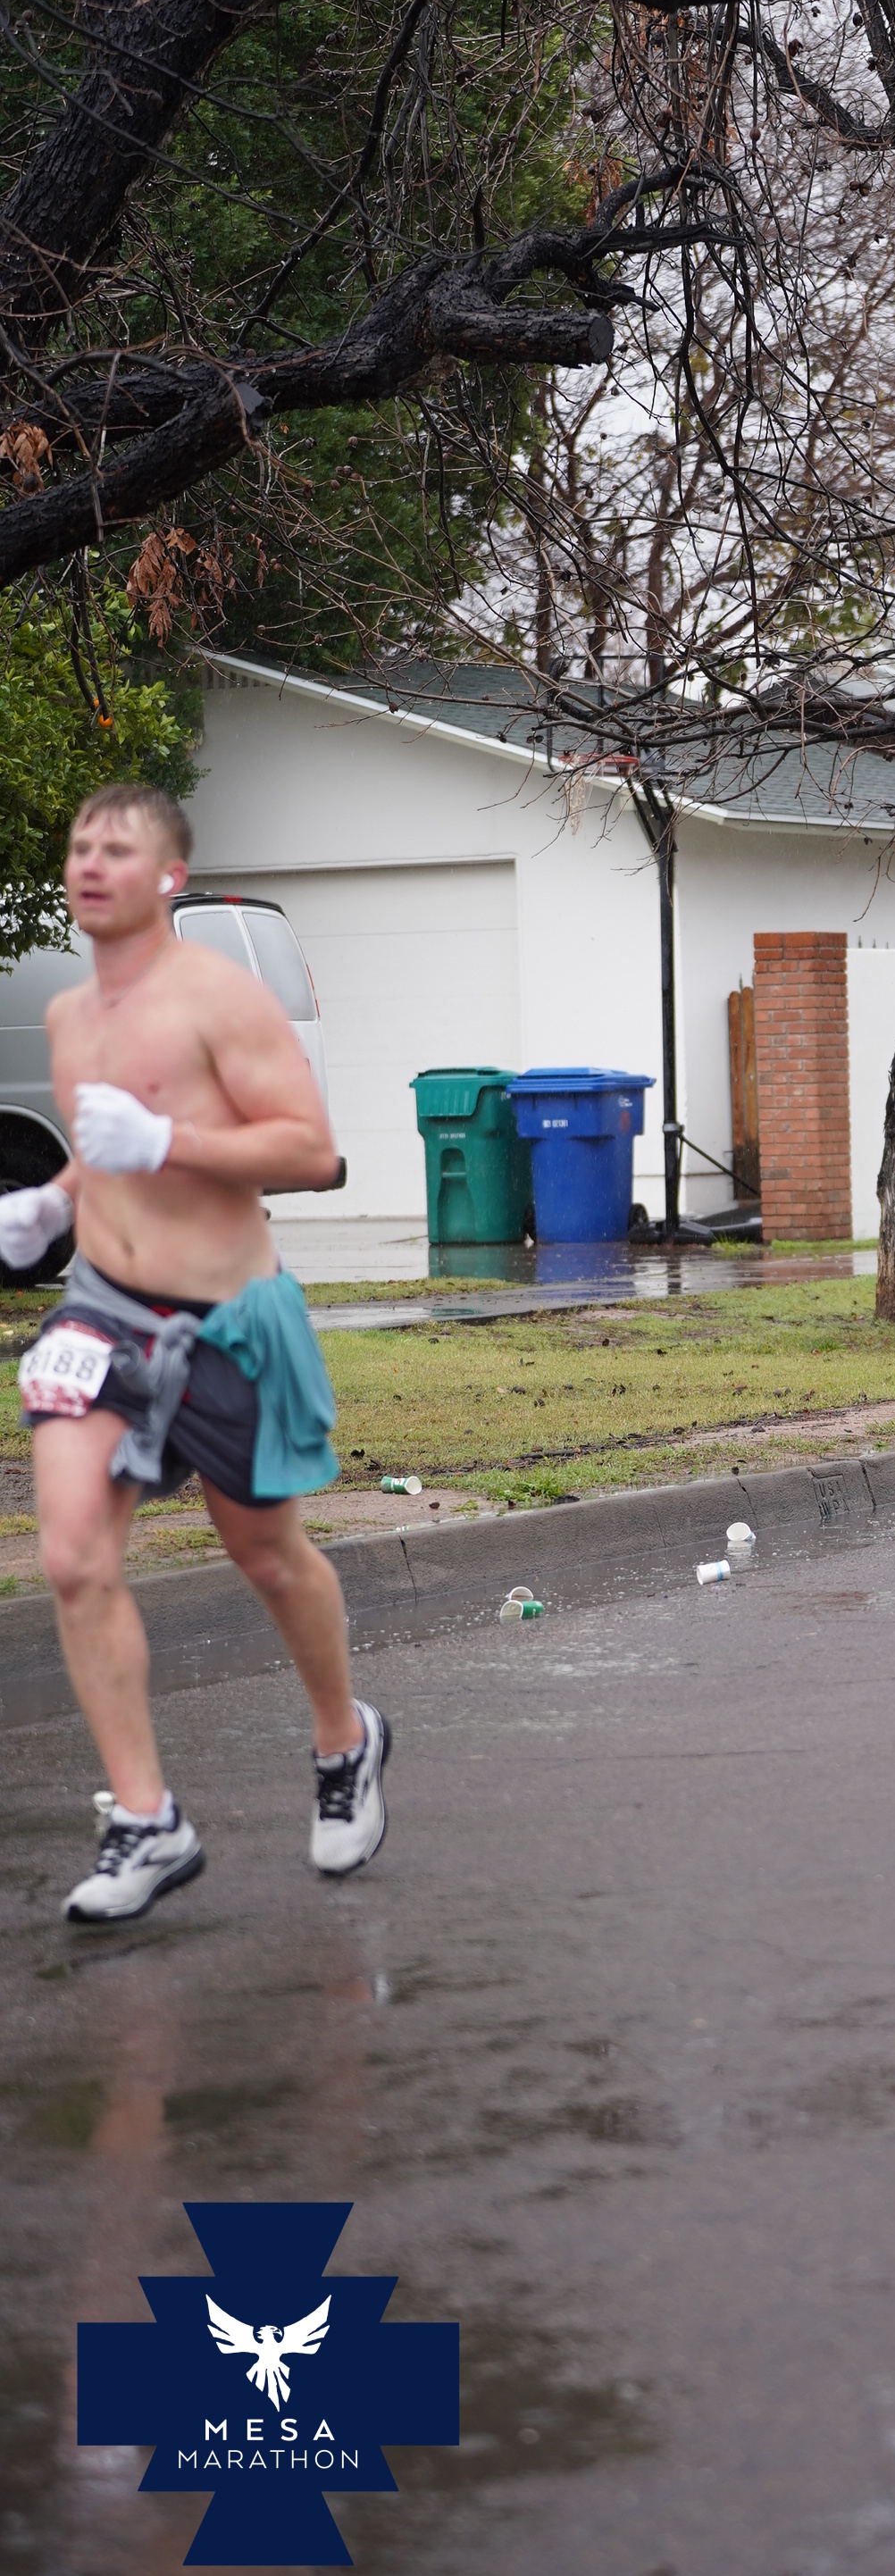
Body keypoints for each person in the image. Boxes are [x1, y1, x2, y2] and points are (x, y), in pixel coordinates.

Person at [1, 785, 390, 1921]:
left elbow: (311, 1152)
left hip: (227, 1320)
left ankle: (344, 1739)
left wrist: (167, 1137)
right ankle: (147, 1817)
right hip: (100, 1312)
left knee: (266, 1554)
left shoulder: (223, 998)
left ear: (169, 875)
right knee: (73, 1553)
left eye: (117, 849)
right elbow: (104, 1154)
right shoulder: (69, 1016)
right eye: (80, 845)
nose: (90, 863)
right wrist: (53, 1200)